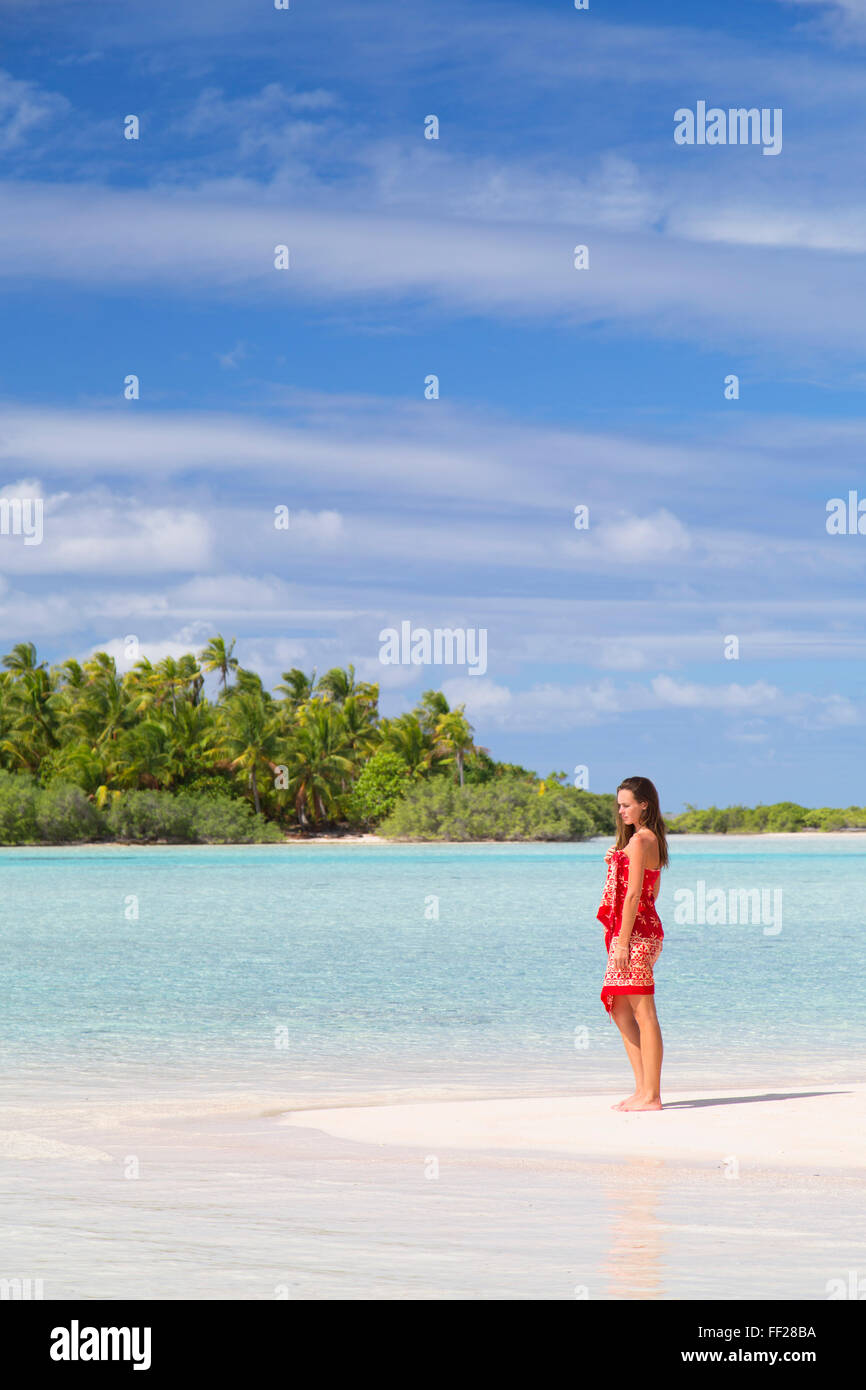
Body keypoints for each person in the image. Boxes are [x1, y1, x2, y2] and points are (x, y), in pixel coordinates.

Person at [596, 775, 668, 1112]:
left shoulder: (640, 841)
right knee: (621, 1009)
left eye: (627, 804)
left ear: (644, 805)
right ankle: (642, 1089)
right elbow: (653, 891)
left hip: (636, 936)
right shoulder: (645, 841)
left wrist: (622, 942)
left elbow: (636, 895)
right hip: (642, 931)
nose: (621, 810)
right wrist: (618, 860)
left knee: (643, 1012)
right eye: (620, 805)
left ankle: (651, 1095)